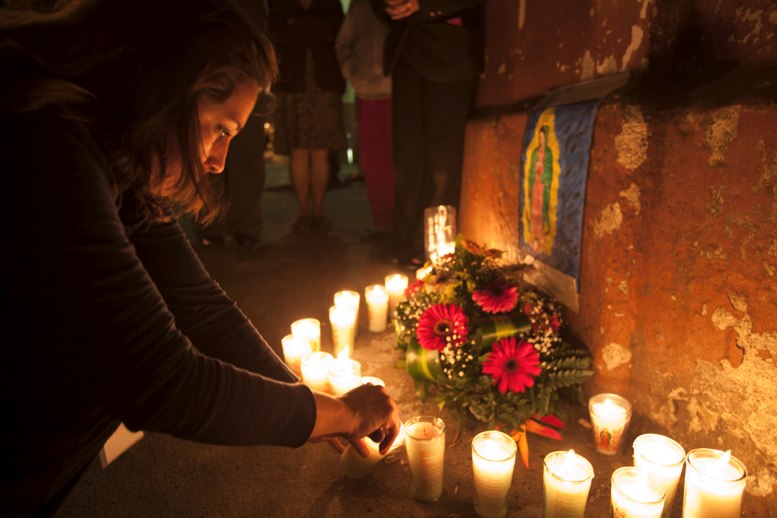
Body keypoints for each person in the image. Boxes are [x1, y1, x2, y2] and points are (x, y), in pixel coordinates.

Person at [0, 1, 401, 515]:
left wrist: (314, 405)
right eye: (221, 129)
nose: (217, 162)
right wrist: (338, 415)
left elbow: (200, 303)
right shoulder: (50, 147)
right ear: (168, 87)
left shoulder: (116, 148)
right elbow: (162, 379)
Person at [371, 0, 484, 265]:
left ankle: (436, 252)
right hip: (405, 48)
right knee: (407, 157)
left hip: (449, 48)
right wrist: (387, 5)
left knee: (443, 160)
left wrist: (422, 4)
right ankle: (407, 244)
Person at [268, 0, 347, 235]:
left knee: (320, 151)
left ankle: (318, 212)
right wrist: (315, 28)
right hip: (292, 82)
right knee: (299, 151)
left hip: (323, 82)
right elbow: (276, 33)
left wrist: (296, 25)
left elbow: (334, 29)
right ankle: (304, 213)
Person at [336, 0, 395, 241]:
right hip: (367, 91)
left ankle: (401, 220)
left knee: (397, 158)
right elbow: (343, 42)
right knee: (373, 161)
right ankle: (381, 221)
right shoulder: (360, 6)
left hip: (398, 91)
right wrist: (352, 72)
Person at [527, 125, 553, 252]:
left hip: (543, 184)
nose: (541, 140)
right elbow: (531, 170)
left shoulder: (548, 153)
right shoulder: (535, 153)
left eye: (543, 137)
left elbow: (549, 170)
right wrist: (535, 168)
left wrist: (542, 170)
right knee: (534, 207)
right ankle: (534, 234)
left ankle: (541, 233)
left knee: (541, 208)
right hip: (535, 184)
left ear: (546, 138)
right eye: (540, 137)